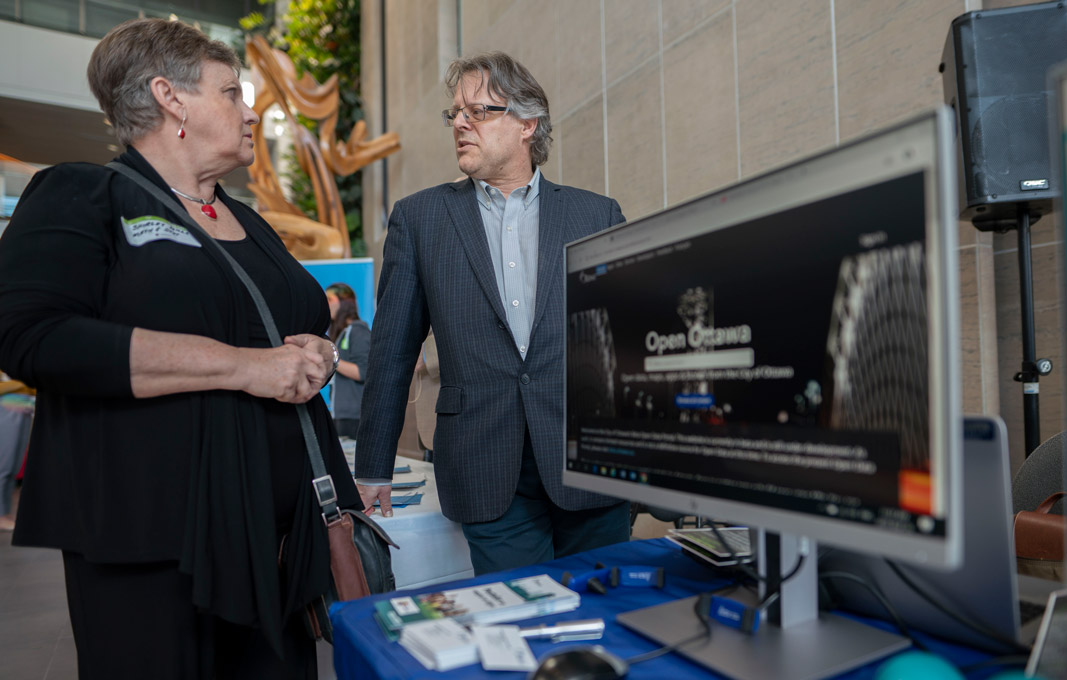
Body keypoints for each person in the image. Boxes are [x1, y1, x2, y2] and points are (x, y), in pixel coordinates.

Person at [0, 19, 359, 679]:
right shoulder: (84, 193)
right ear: (171, 98)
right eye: (231, 93)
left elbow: (296, 332)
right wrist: (245, 367)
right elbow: (33, 338)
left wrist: (317, 355)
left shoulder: (247, 217)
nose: (250, 114)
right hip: (150, 547)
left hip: (276, 542)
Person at [355, 52, 630, 574]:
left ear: (528, 124)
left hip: (589, 461)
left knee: (609, 613)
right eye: (454, 113)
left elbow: (627, 343)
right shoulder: (420, 219)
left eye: (479, 111)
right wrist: (374, 467)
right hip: (484, 463)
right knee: (523, 621)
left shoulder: (596, 215)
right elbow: (392, 352)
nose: (460, 123)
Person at [325, 283, 371, 438]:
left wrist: (331, 358)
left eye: (330, 299)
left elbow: (363, 372)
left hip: (354, 416)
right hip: (340, 414)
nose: (326, 304)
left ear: (344, 302)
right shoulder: (341, 334)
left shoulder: (358, 332)